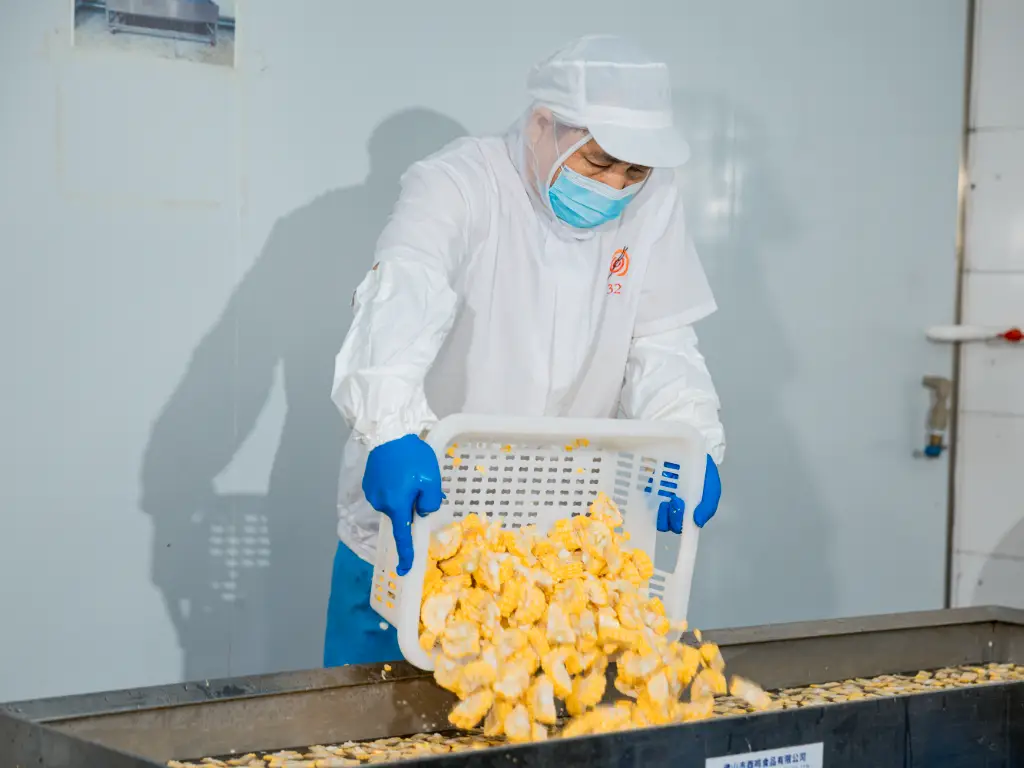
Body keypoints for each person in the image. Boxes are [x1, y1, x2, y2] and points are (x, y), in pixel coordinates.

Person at [325, 35, 725, 667]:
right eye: (599, 163)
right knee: (371, 742)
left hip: (553, 553)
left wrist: (692, 441)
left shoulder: (651, 204)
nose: (617, 186)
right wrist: (388, 431)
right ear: (544, 125)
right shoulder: (457, 184)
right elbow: (403, 296)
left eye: (634, 172)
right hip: (416, 531)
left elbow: (661, 343)